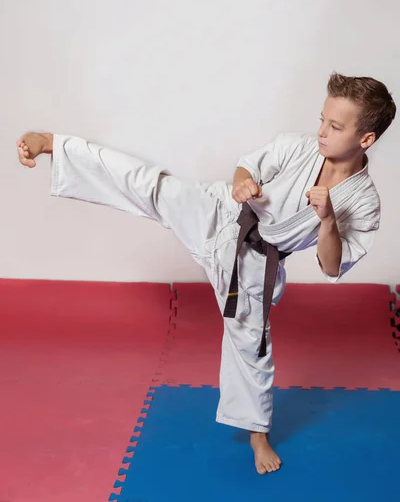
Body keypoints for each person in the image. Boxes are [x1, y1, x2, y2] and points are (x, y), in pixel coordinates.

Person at [16, 72, 396, 475]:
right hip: (222, 214)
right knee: (153, 186)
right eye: (321, 119)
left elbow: (332, 266)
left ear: (365, 139)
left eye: (335, 127)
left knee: (252, 349)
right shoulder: (296, 146)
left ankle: (256, 433)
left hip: (254, 266)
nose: (321, 131)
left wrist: (328, 220)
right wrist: (242, 185)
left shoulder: (364, 201)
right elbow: (246, 166)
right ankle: (56, 144)